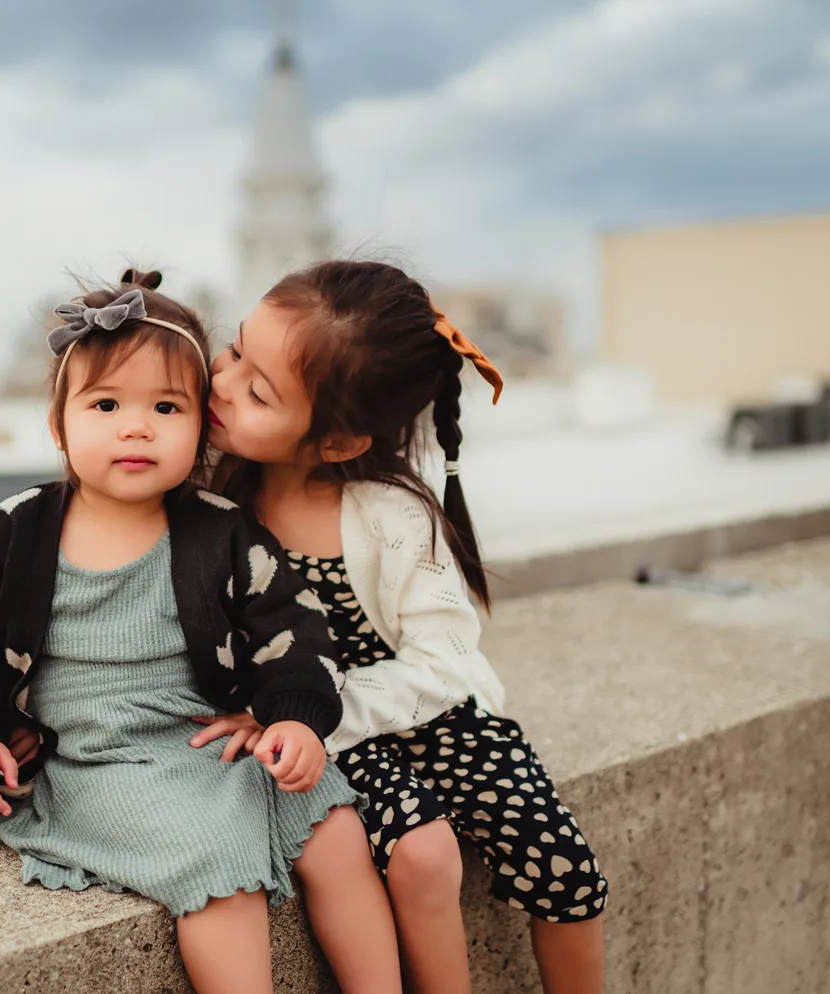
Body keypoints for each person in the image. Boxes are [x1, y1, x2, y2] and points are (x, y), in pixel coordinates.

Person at [0, 269, 400, 994]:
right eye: (106, 403)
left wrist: (295, 719)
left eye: (167, 406)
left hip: (209, 740)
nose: (136, 425)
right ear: (59, 426)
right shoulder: (15, 534)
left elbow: (295, 636)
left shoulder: (221, 530)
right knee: (215, 867)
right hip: (97, 760)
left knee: (336, 829)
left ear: (200, 422)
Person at [193, 260, 608, 994]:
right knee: (423, 856)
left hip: (414, 708)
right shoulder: (213, 508)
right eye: (232, 352)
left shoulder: (392, 518)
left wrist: (321, 713)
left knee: (563, 859)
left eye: (257, 390)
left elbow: (442, 663)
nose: (221, 384)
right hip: (313, 735)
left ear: (340, 441)